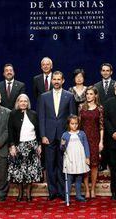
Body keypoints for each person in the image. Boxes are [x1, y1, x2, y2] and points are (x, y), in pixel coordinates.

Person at [38, 71, 76, 200]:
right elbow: (41, 117)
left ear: (63, 81)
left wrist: (69, 136)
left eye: (59, 79)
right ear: (51, 80)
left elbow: (72, 118)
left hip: (63, 137)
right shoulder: (44, 96)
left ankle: (61, 192)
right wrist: (42, 135)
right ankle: (52, 192)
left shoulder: (69, 96)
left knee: (62, 164)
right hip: (48, 136)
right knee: (50, 165)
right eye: (54, 79)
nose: (56, 81)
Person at [8, 94, 42, 202]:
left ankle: (28, 193)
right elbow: (10, 132)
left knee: (30, 172)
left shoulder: (33, 114)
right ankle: (20, 192)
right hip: (19, 146)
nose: (23, 103)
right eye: (21, 101)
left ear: (28, 103)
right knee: (19, 171)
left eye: (25, 101)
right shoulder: (13, 114)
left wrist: (40, 144)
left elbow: (38, 130)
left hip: (32, 146)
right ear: (18, 103)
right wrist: (12, 146)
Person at [79, 86, 104, 199]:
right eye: (87, 94)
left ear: (95, 95)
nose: (88, 96)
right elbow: (78, 125)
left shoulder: (99, 108)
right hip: (83, 139)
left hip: (95, 139)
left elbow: (101, 126)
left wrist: (101, 142)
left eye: (91, 94)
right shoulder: (81, 107)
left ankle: (93, 189)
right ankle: (87, 190)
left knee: (94, 165)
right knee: (85, 165)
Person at [61, 115, 90, 203]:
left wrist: (87, 157)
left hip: (80, 158)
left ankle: (78, 195)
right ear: (69, 124)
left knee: (79, 178)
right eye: (72, 124)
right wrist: (62, 145)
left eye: (76, 124)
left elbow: (86, 146)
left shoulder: (82, 134)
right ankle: (67, 197)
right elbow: (62, 149)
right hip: (70, 159)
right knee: (69, 179)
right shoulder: (65, 134)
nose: (74, 126)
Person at [94, 63, 115, 171]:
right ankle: (102, 163)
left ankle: (112, 164)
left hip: (113, 119)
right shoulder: (96, 86)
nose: (105, 72)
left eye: (108, 70)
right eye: (103, 70)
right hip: (99, 118)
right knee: (101, 141)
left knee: (111, 142)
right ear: (101, 72)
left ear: (111, 72)